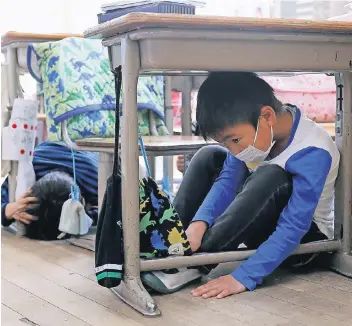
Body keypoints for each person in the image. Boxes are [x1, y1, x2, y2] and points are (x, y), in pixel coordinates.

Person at [170, 72, 339, 299]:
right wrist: (198, 224)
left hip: (303, 245)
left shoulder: (313, 150)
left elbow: (294, 227)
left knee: (270, 175)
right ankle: (171, 242)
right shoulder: (256, 129)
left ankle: (192, 264)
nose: (233, 149)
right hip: (259, 227)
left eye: (235, 140)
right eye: (226, 142)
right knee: (209, 156)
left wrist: (243, 276)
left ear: (267, 116)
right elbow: (227, 182)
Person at [1, 141, 99, 237]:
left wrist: (86, 216)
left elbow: (110, 212)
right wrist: (7, 210)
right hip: (49, 146)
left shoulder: (96, 180)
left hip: (87, 154)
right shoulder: (25, 169)